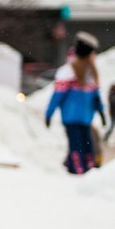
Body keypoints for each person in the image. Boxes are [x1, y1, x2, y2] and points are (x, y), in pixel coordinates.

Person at [45, 31, 105, 175]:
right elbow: (96, 97)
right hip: (79, 116)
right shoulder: (80, 72)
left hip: (76, 116)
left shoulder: (78, 72)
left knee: (81, 143)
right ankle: (84, 168)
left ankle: (78, 168)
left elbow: (58, 96)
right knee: (82, 143)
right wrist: (102, 113)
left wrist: (49, 113)